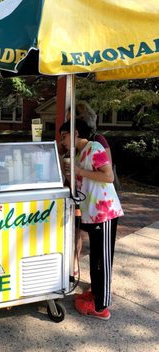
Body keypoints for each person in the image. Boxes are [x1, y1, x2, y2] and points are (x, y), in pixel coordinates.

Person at [60, 119, 123, 320]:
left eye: (64, 136)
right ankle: (95, 293)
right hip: (92, 212)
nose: (62, 141)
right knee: (96, 257)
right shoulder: (78, 155)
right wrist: (67, 171)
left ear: (75, 132)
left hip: (105, 212)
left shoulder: (94, 147)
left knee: (102, 259)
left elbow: (108, 176)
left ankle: (102, 305)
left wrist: (78, 171)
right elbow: (79, 184)